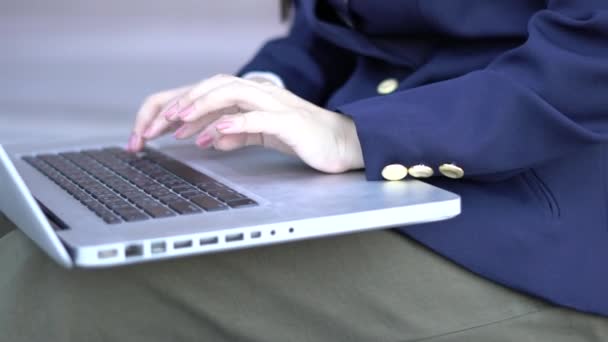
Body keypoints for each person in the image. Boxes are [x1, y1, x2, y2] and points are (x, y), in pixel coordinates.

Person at [2, 0, 607, 340]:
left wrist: (357, 135)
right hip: (371, 158)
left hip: (539, 221)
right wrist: (263, 88)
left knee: (59, 287)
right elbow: (340, 25)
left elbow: (591, 53)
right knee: (38, 221)